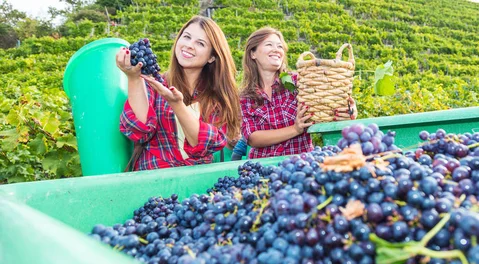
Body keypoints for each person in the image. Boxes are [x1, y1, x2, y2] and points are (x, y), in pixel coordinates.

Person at [116, 16, 241, 171]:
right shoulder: (155, 83)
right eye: (186, 37)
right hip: (153, 178)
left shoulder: (217, 97)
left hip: (195, 184)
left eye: (200, 43)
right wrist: (133, 78)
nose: (189, 45)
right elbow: (139, 132)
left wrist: (176, 104)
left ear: (211, 57)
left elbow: (203, 145)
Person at [239, 27, 356, 159]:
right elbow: (252, 138)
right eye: (269, 45)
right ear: (252, 54)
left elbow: (326, 107)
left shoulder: (300, 82)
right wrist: (295, 129)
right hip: (263, 165)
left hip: (301, 163)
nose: (276, 50)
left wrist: (348, 110)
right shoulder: (246, 97)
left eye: (280, 46)